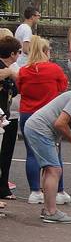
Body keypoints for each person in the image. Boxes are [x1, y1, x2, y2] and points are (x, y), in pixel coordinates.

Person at [23, 89, 71, 224]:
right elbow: (60, 123)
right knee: (54, 169)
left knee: (50, 169)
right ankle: (51, 211)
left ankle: (48, 209)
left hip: (40, 129)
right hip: (40, 129)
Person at [16, 37, 69, 206]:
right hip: (49, 114)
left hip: (27, 113)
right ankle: (58, 190)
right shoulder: (54, 69)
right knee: (55, 153)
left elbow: (19, 88)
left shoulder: (24, 71)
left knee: (31, 153)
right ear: (46, 51)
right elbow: (63, 87)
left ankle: (35, 191)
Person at [0, 37, 20, 201]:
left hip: (8, 116)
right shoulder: (4, 69)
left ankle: (3, 187)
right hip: (2, 117)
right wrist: (10, 73)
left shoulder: (11, 70)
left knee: (6, 155)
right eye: (19, 52)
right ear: (12, 54)